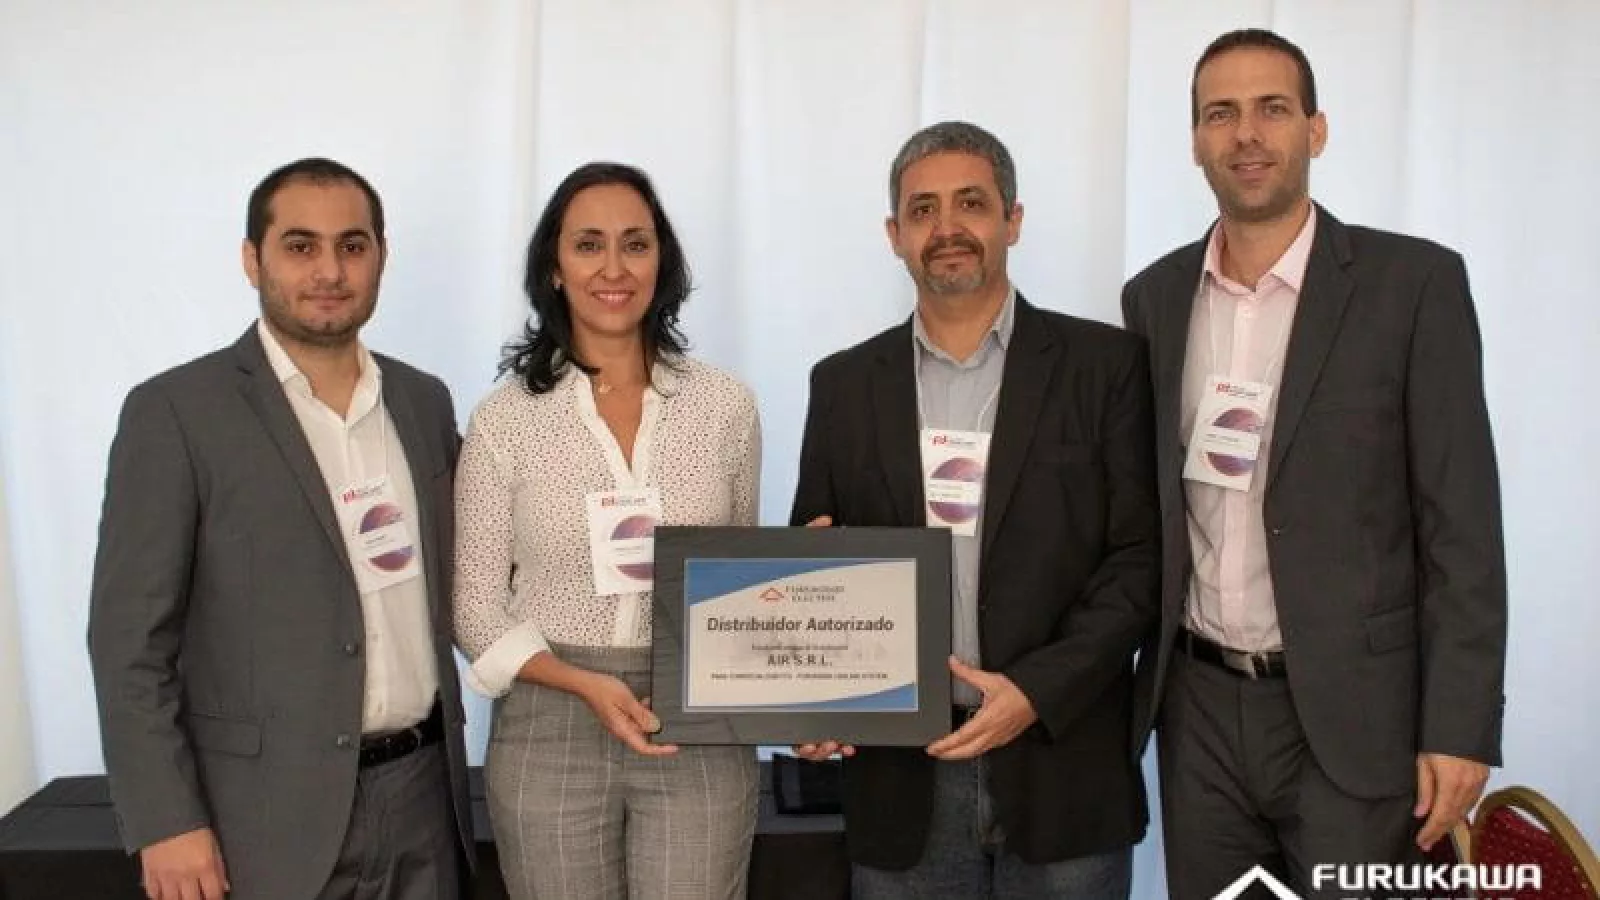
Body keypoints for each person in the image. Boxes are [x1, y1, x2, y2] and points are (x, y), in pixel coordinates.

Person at [1121, 29, 1508, 900]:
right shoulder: (1154, 299)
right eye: (1220, 114)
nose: (1246, 135)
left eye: (1272, 109)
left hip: (1357, 713)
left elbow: (1462, 524)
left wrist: (1460, 724)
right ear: (1195, 142)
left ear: (1316, 130)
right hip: (1199, 713)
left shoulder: (1413, 286)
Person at [789, 121, 1160, 899]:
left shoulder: (1106, 367)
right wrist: (812, 696)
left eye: (971, 203)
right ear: (895, 234)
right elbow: (815, 561)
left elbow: (1140, 560)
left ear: (1012, 220)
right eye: (922, 209)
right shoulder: (843, 386)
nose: (947, 227)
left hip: (1063, 764)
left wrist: (1035, 692)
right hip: (901, 778)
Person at [87, 157, 472, 900]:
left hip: (424, 798)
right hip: (261, 820)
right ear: (251, 259)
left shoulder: (422, 402)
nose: (329, 270)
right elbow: (128, 641)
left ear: (381, 257)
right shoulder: (176, 413)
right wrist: (165, 820)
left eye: (352, 245)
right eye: (300, 246)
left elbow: (473, 572)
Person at [452, 161, 762, 900]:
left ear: (663, 262)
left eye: (636, 243)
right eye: (589, 244)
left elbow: (735, 579)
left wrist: (812, 574)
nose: (614, 267)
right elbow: (475, 610)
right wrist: (580, 683)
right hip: (549, 721)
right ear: (554, 268)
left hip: (695, 725)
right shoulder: (504, 420)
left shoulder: (726, 407)